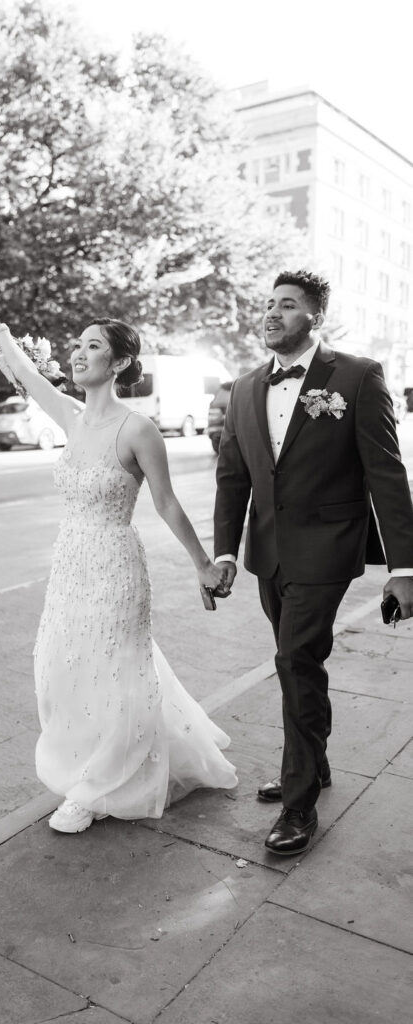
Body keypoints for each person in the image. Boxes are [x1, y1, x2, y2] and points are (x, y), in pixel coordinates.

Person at [0, 315, 238, 834]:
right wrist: (3, 337)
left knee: (116, 674)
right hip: (69, 564)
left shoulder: (138, 429)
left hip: (116, 566)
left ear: (120, 362)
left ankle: (95, 788)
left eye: (93, 346)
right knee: (63, 670)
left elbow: (166, 503)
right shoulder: (70, 415)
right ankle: (90, 763)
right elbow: (29, 375)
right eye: (77, 345)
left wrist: (203, 564)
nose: (79, 354)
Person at [214, 269, 413, 856]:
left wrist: (405, 568)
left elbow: (386, 473)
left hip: (328, 548)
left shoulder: (356, 376)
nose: (272, 313)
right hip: (268, 553)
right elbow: (233, 477)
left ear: (315, 317)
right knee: (299, 665)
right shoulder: (244, 387)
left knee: (295, 658)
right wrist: (225, 552)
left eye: (287, 304)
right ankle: (314, 763)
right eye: (269, 303)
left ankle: (299, 806)